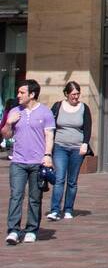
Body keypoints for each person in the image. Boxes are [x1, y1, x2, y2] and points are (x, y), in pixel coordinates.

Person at [4, 79, 55, 245]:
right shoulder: (14, 111)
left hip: (37, 162)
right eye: (18, 92)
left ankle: (31, 230)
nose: (18, 95)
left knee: (35, 197)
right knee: (16, 196)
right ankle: (13, 230)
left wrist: (47, 155)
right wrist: (9, 122)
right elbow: (6, 135)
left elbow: (49, 135)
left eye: (22, 92)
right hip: (18, 161)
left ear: (32, 94)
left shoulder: (45, 113)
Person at [46, 81, 94, 220]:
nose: (76, 97)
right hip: (60, 146)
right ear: (66, 94)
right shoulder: (58, 106)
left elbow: (87, 127)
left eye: (78, 94)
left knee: (72, 181)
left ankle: (68, 209)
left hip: (76, 148)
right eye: (73, 94)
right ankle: (55, 210)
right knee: (60, 178)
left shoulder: (84, 108)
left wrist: (85, 143)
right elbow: (49, 125)